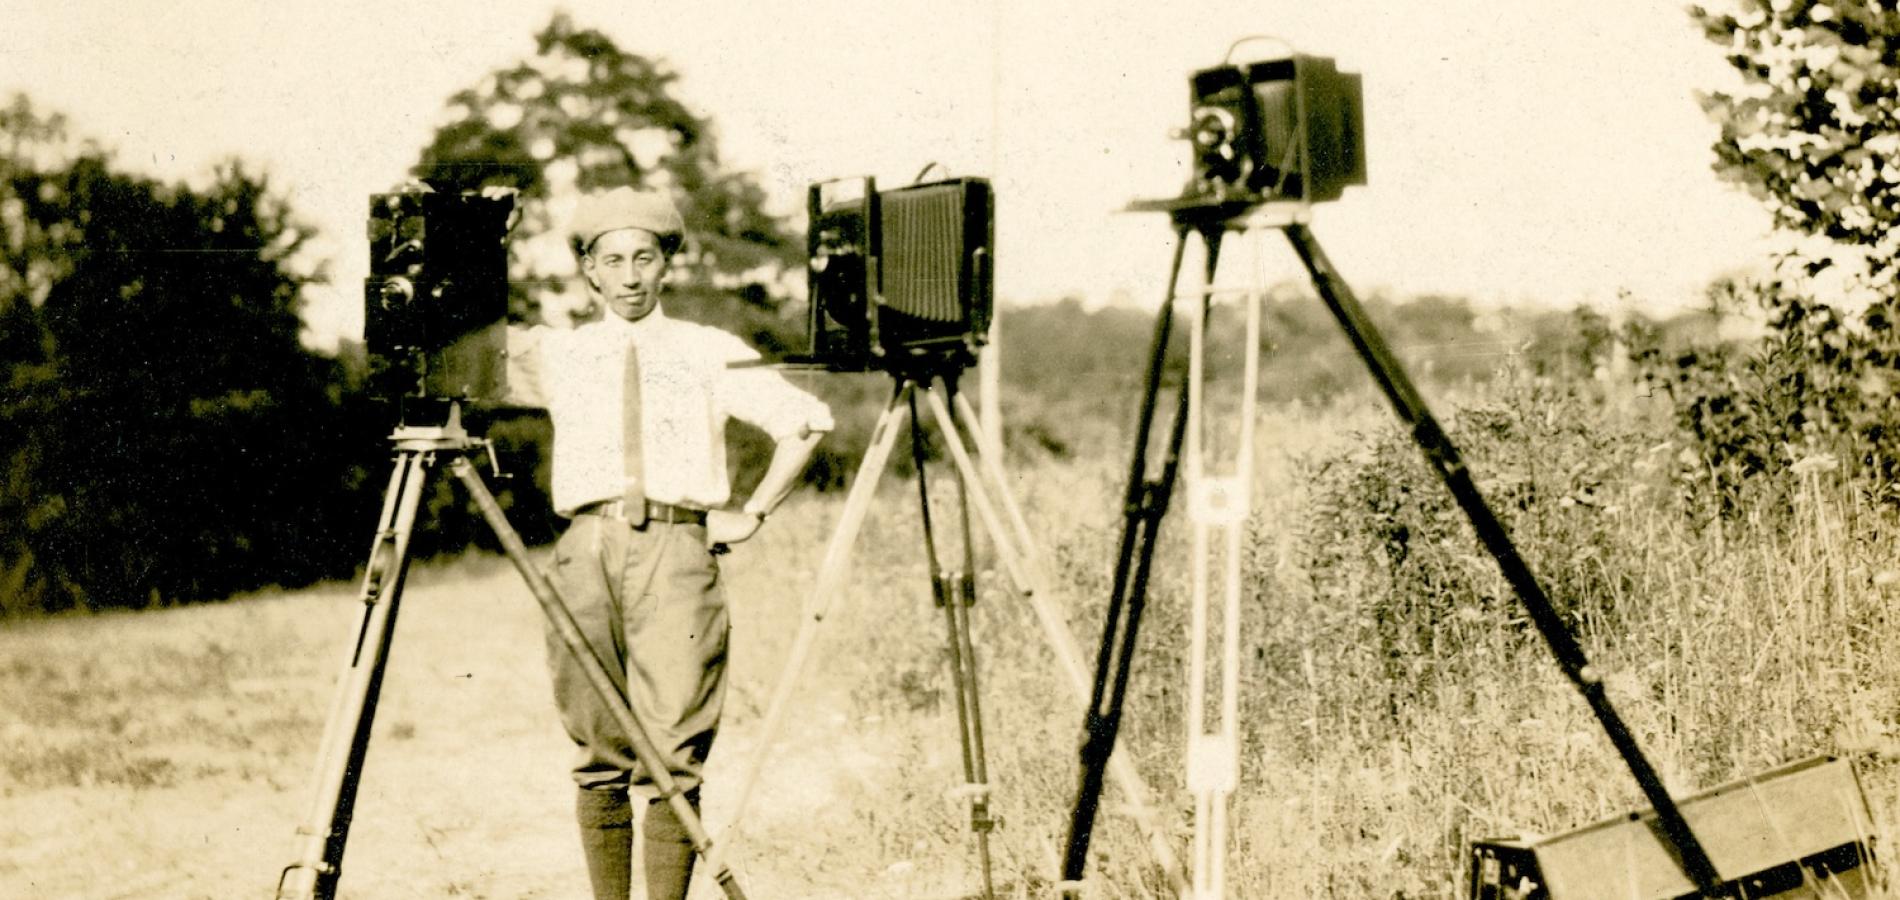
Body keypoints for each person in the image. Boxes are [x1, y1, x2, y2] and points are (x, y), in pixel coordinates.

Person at [502, 186, 832, 900]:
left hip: (677, 554)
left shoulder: (707, 351)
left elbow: (803, 422)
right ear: (588, 270)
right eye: (611, 260)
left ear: (665, 266)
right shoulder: (558, 352)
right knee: (597, 753)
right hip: (584, 552)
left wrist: (755, 511)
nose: (628, 276)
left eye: (643, 258)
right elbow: (457, 353)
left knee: (673, 757)